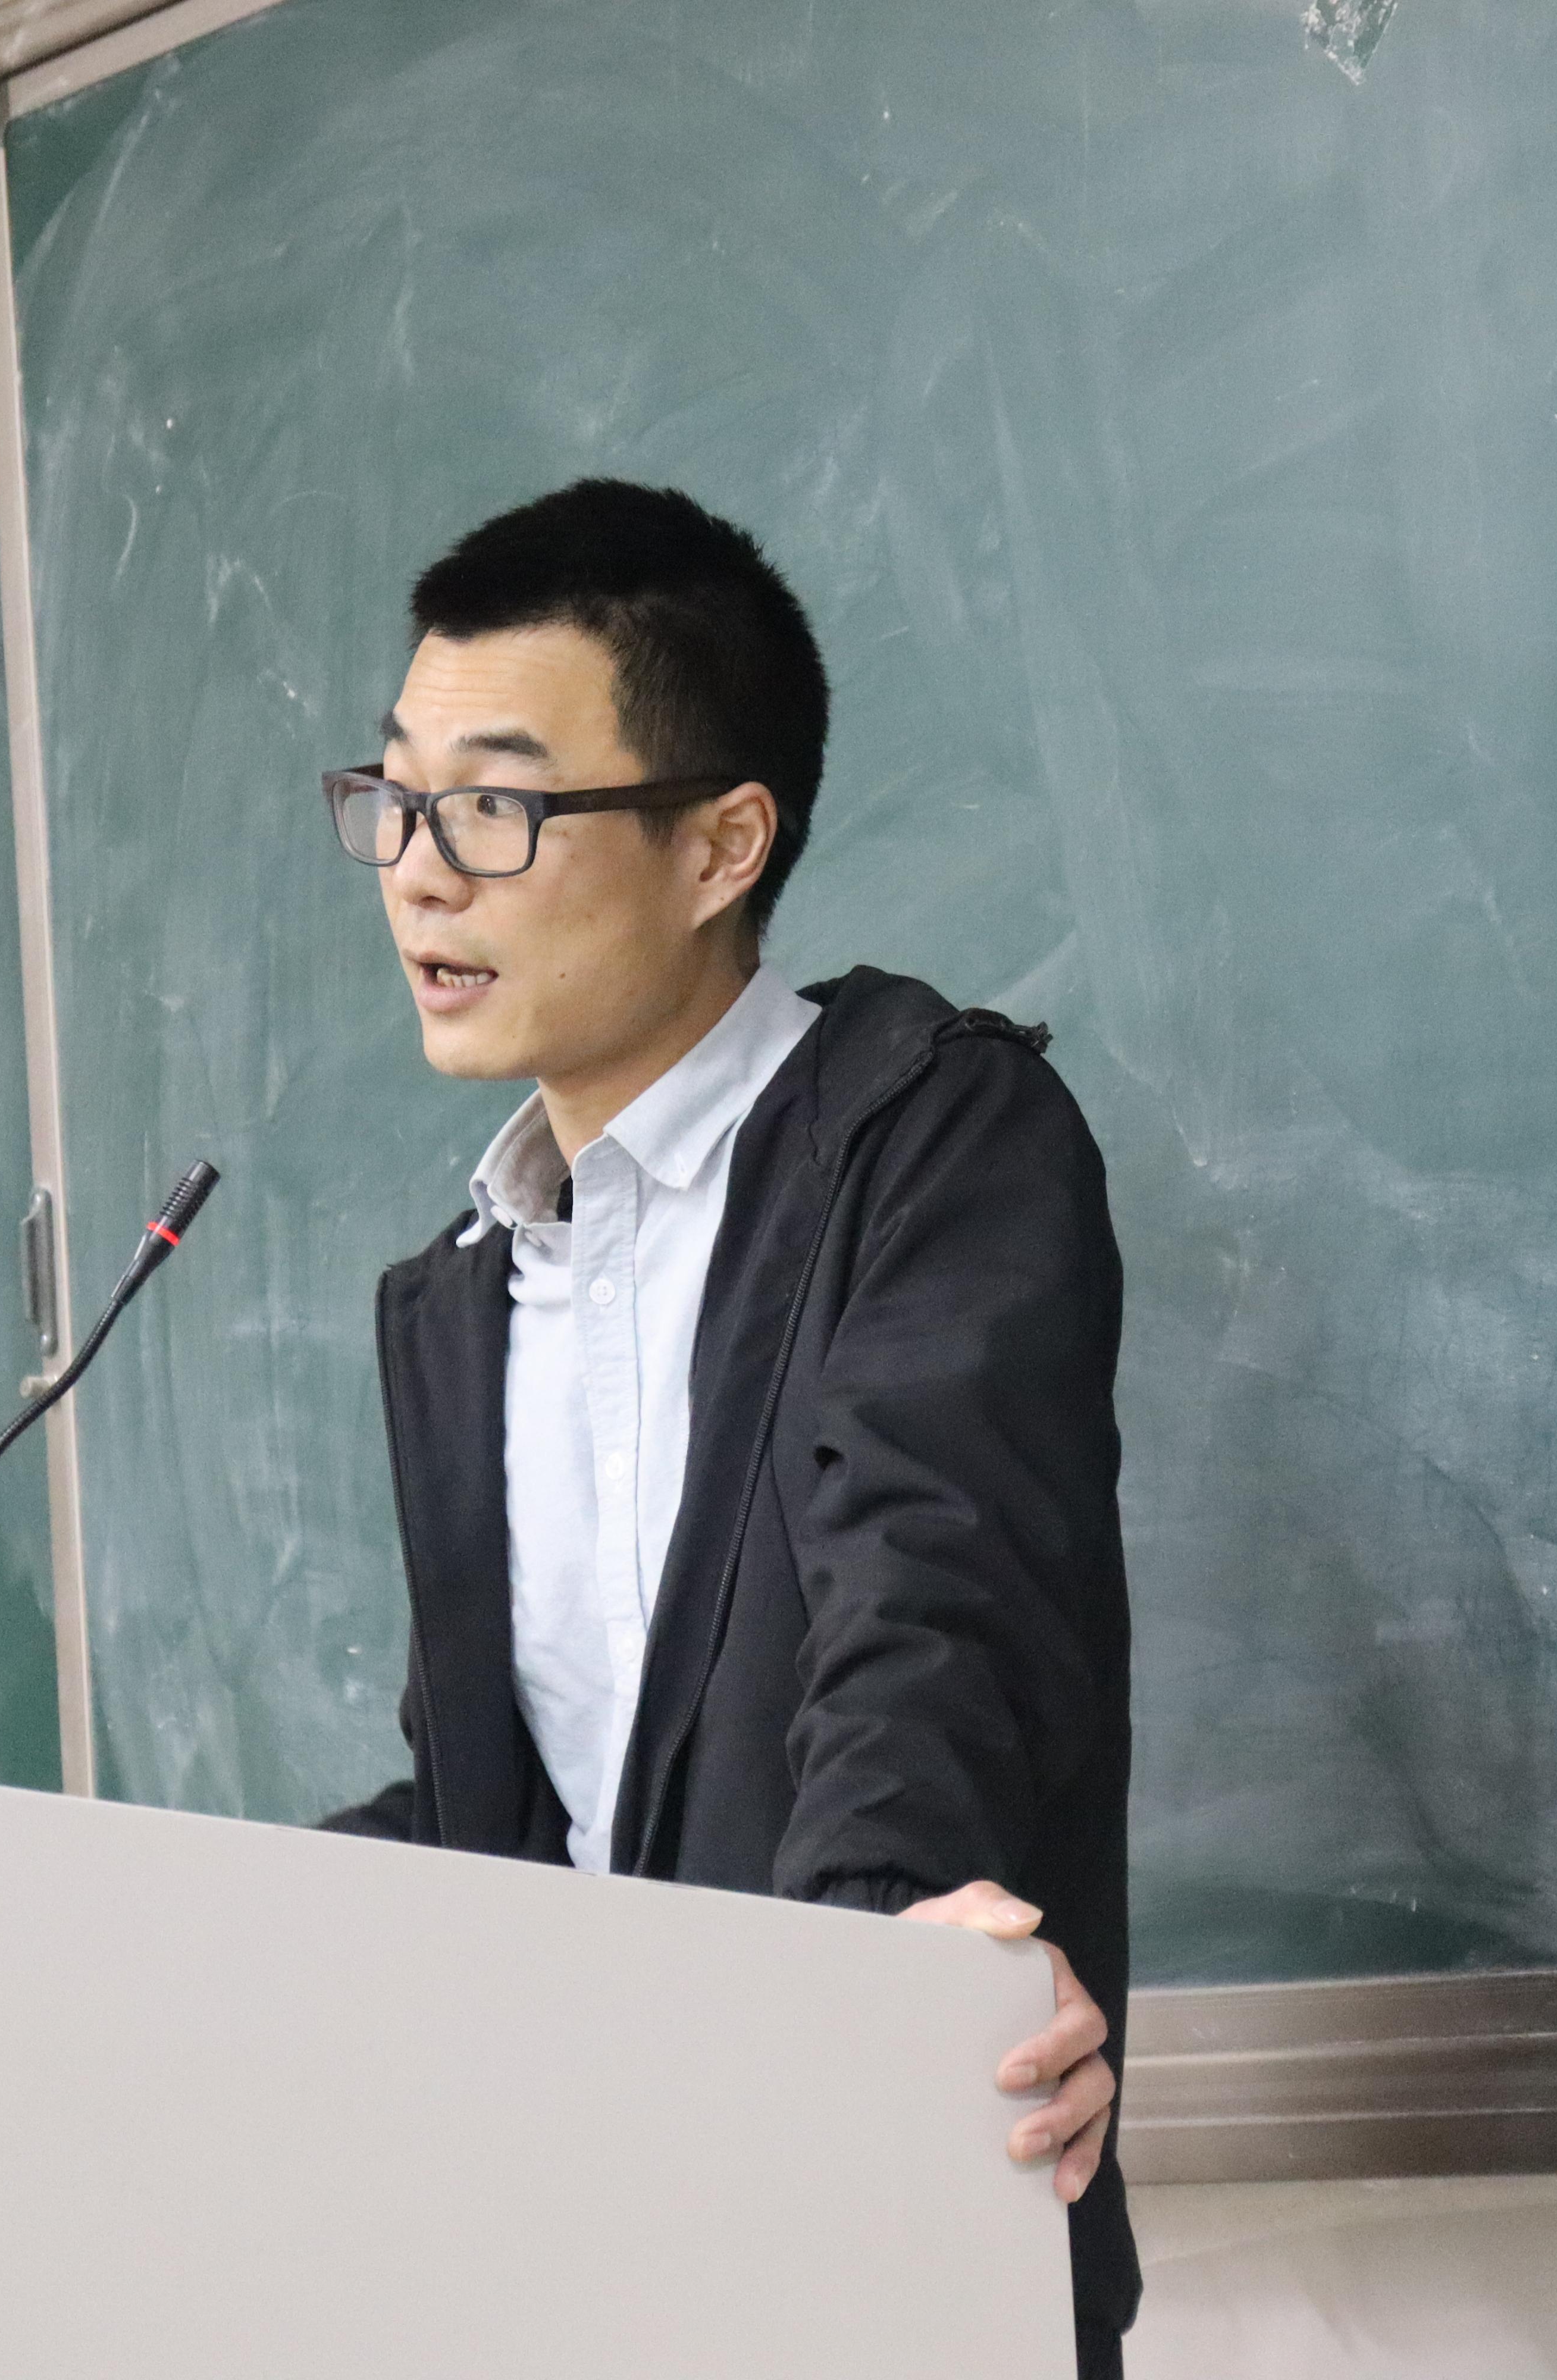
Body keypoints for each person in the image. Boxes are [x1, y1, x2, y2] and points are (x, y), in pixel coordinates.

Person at [314, 478, 1139, 2372]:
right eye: (395, 801)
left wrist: (878, 1993)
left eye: (497, 809)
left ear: (718, 846)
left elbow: (930, 1612)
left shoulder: (926, 1143)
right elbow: (502, 1824)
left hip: (883, 2241)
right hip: (582, 2268)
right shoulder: (461, 1297)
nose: (419, 876)